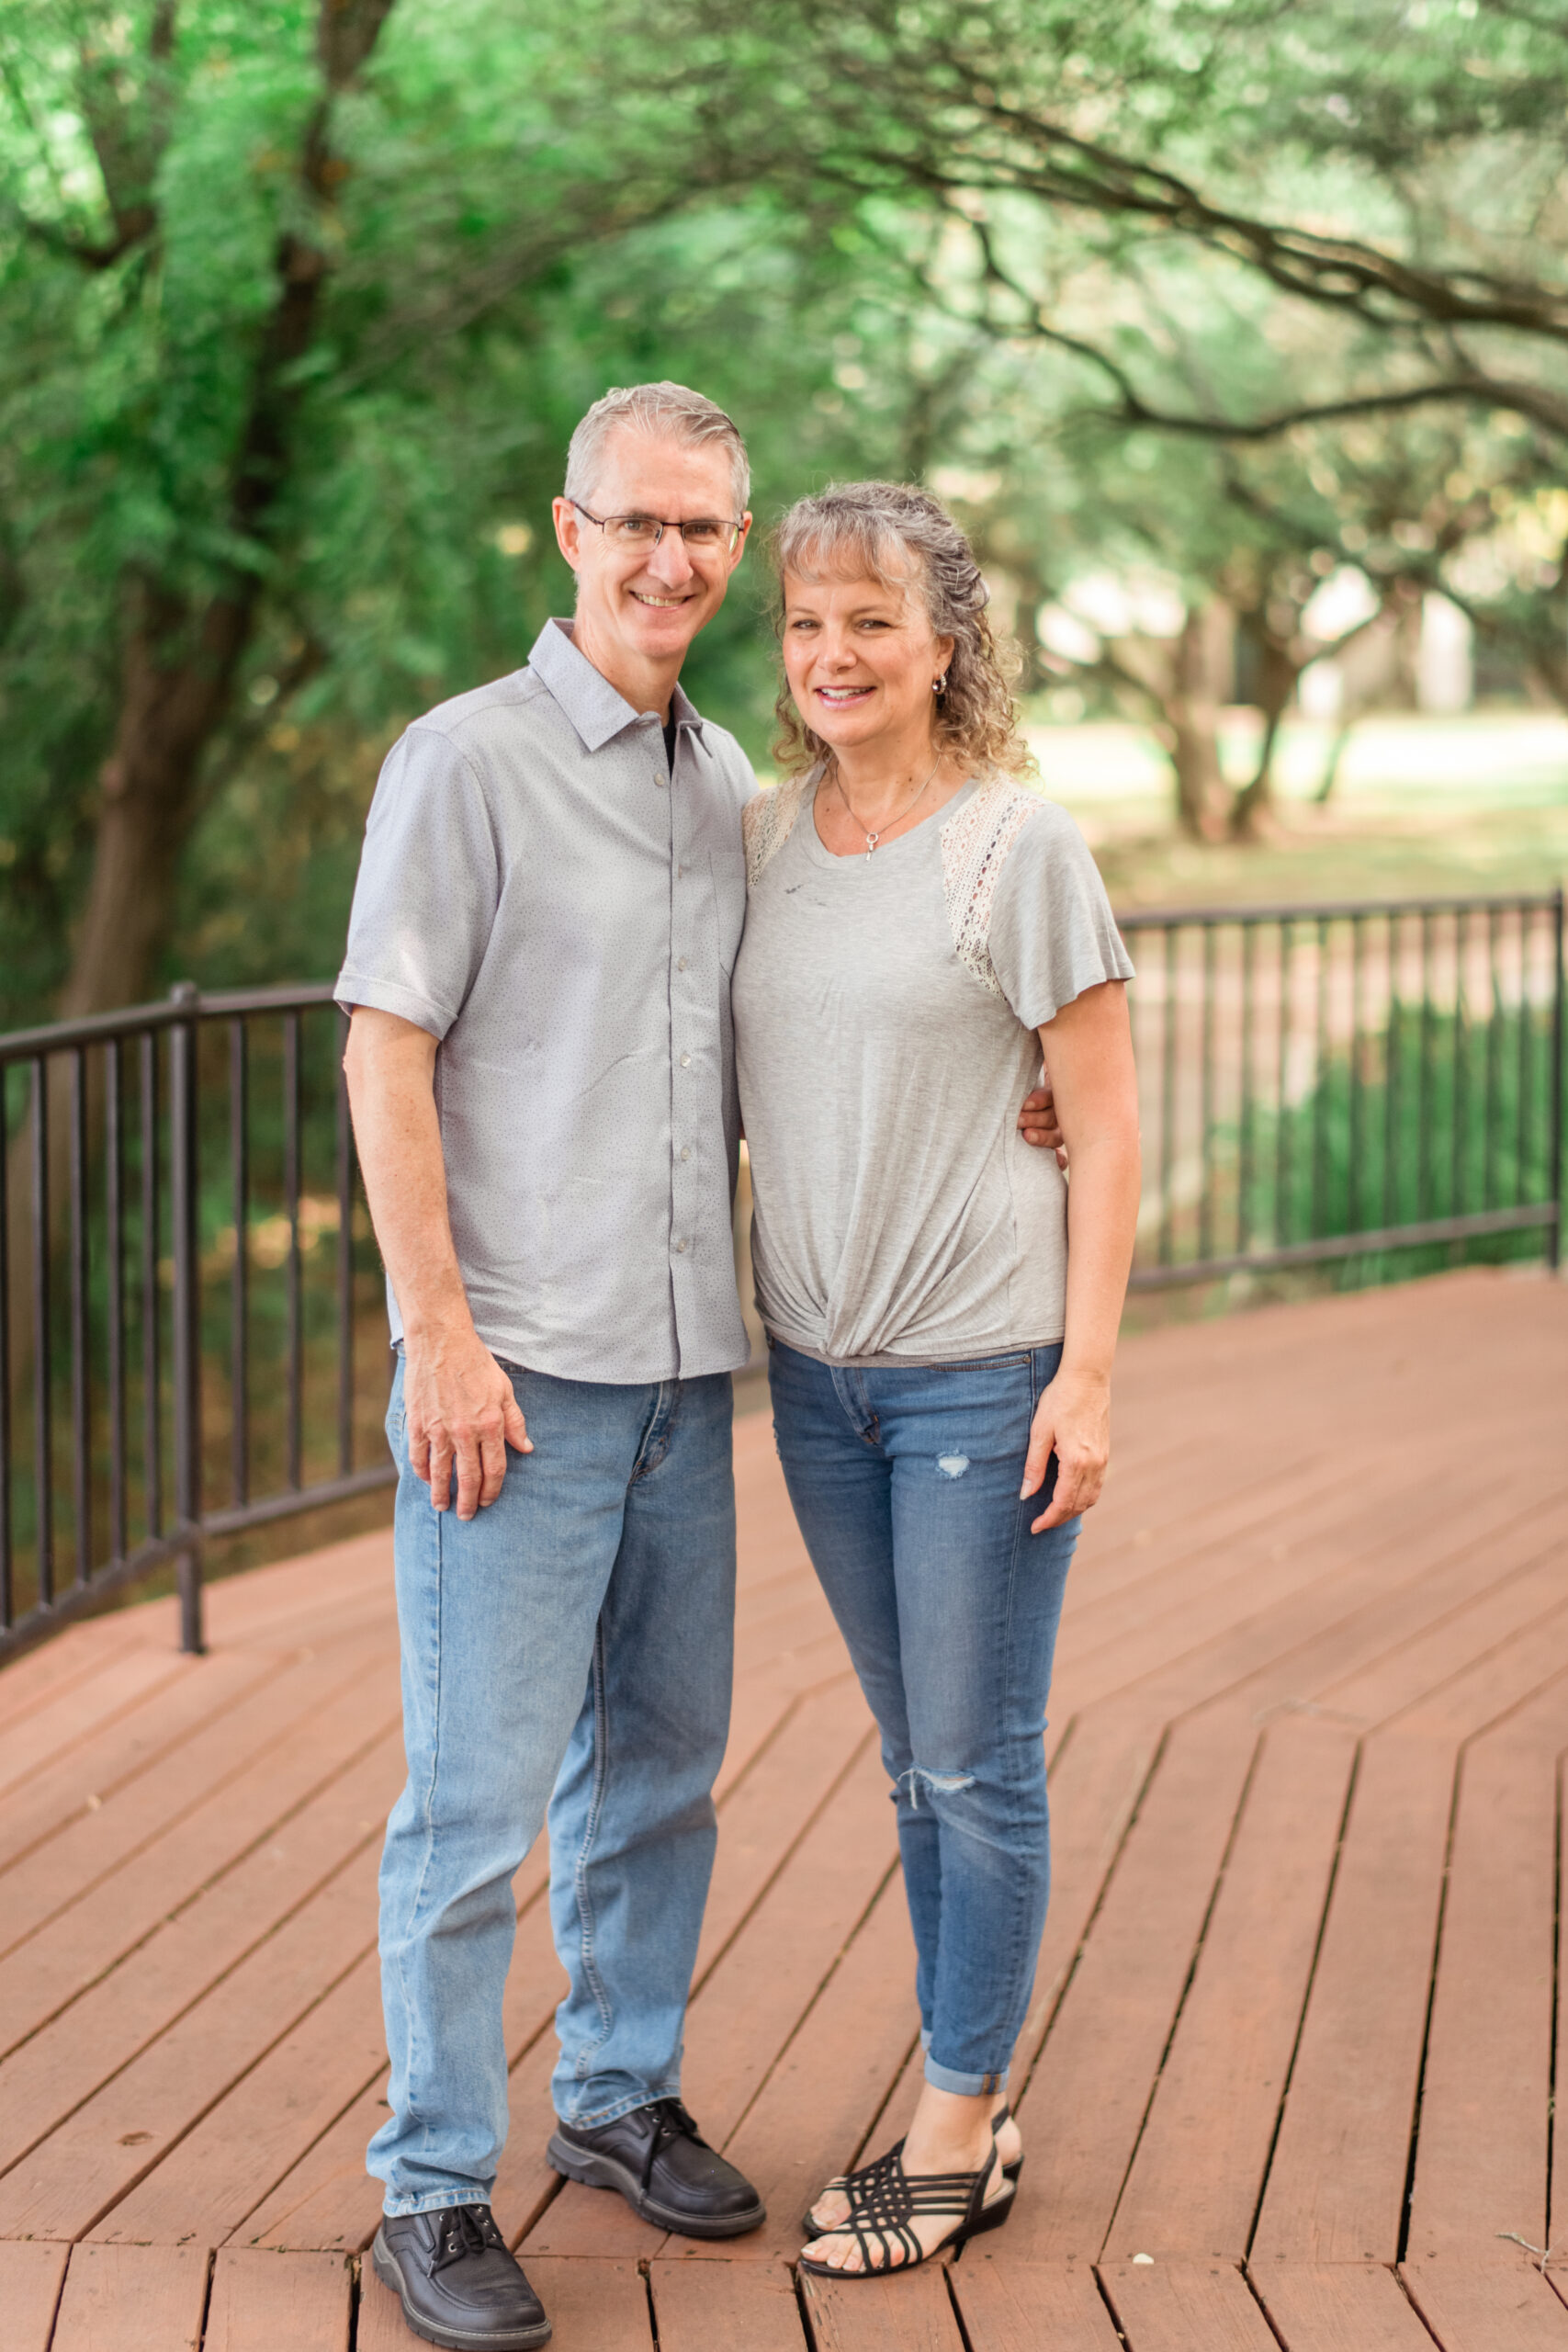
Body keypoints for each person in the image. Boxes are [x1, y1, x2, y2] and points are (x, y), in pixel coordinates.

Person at [338, 383, 770, 2352]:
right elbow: (384, 1046)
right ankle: (432, 2181)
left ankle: (611, 2092)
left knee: (661, 1775)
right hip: (516, 1379)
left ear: (732, 551)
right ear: (566, 527)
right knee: (473, 1802)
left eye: (705, 528)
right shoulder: (467, 763)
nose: (669, 557)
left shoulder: (722, 773)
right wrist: (436, 1327)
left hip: (692, 1371)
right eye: (638, 521)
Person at [731, 481, 1142, 2278]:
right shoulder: (751, 839)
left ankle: (954, 2123)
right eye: (806, 623)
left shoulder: (1013, 846)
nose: (833, 653)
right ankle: (976, 2078)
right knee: (914, 1753)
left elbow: (1107, 1120)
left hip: (984, 1372)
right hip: (815, 1380)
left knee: (970, 1765)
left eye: (870, 622)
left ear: (942, 641)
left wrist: (1093, 1374)